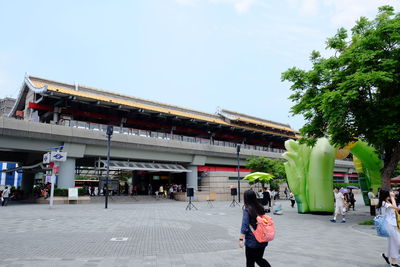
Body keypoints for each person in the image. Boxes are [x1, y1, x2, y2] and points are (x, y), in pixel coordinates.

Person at [239, 190, 271, 267]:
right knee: (259, 258)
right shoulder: (260, 207)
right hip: (263, 237)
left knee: (250, 262)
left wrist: (241, 239)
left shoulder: (247, 209)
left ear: (246, 198)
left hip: (252, 240)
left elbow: (245, 225)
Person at [377, 189, 400, 267]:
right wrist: (393, 198)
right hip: (390, 225)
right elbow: (396, 208)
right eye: (390, 193)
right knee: (396, 243)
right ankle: (393, 262)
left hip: (394, 225)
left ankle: (386, 255)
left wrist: (392, 198)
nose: (392, 194)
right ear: (386, 195)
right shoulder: (384, 203)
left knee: (393, 243)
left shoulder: (388, 202)